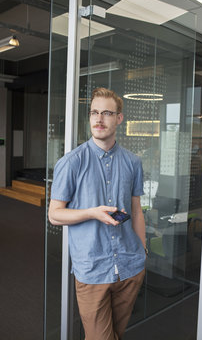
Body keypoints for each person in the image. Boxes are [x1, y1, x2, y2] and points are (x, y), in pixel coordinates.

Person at [48, 87, 146, 340]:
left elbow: (136, 210)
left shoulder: (132, 162)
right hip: (93, 270)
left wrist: (142, 251)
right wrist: (92, 213)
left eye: (106, 113)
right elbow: (55, 215)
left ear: (119, 118)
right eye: (94, 112)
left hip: (129, 266)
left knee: (117, 334)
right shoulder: (71, 162)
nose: (98, 119)